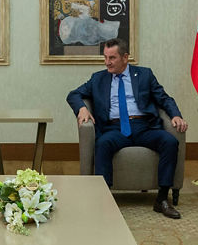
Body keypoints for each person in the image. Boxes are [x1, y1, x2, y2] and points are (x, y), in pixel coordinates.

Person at [65, 38, 188, 219]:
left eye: (112, 58)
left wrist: (176, 115)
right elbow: (73, 94)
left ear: (125, 57)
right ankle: (103, 199)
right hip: (114, 128)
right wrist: (82, 108)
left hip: (144, 126)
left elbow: (164, 99)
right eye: (105, 58)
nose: (107, 62)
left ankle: (162, 199)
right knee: (103, 144)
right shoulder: (98, 78)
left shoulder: (145, 75)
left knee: (169, 141)